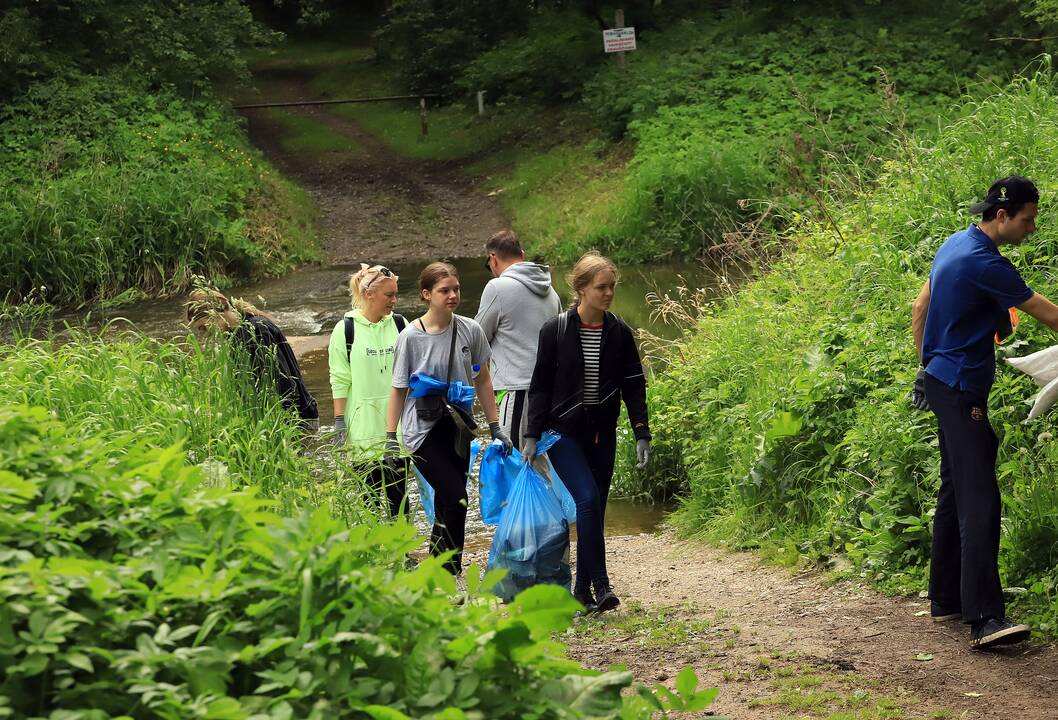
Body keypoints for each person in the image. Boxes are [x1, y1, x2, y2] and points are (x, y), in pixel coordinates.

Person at [911, 176, 1058, 649]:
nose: (1032, 228)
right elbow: (1048, 314)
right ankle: (984, 619)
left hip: (939, 380)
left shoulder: (956, 243)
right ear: (1002, 216)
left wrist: (924, 364)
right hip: (959, 390)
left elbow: (920, 306)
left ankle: (945, 600)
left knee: (955, 487)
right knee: (981, 500)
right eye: (1027, 219)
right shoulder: (986, 264)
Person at [522, 252, 652, 613]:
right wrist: (531, 434)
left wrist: (642, 431)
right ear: (580, 289)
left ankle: (580, 590)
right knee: (587, 500)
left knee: (596, 507)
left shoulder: (619, 331)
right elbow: (540, 387)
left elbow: (633, 384)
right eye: (601, 287)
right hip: (562, 431)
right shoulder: (556, 330)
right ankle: (601, 583)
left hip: (602, 432)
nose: (608, 293)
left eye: (612, 286)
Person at [386, 262, 512, 577]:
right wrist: (390, 438)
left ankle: (437, 573)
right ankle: (450, 572)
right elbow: (399, 389)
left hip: (458, 428)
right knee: (456, 497)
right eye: (445, 290)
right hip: (421, 431)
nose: (453, 295)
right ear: (426, 295)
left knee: (448, 499)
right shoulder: (410, 337)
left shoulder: (471, 329)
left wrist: (495, 427)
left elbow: (483, 380)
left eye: (456, 289)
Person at [328, 264, 408, 517]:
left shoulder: (400, 324)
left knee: (400, 499)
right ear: (369, 294)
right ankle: (374, 554)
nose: (394, 300)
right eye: (389, 295)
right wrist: (340, 421)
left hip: (396, 429)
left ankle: (405, 554)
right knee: (369, 501)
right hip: (362, 429)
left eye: (396, 294)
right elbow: (339, 378)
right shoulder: (345, 330)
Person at [475, 230, 563, 451]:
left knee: (513, 460)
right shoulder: (550, 290)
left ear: (492, 259)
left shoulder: (497, 287)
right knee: (543, 465)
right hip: (552, 391)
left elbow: (476, 339)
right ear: (522, 255)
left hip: (518, 391)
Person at [186, 288, 319, 431]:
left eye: (203, 328)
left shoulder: (255, 329)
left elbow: (283, 381)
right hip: (280, 421)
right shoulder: (237, 334)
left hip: (296, 422)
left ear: (215, 314)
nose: (207, 335)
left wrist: (283, 427)